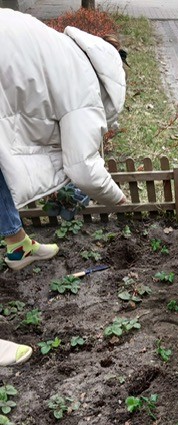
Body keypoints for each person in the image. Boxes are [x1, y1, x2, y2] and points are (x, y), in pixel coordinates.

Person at [0, 9, 127, 270]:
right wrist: (118, 198)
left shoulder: (67, 50)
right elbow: (83, 168)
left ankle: (18, 244)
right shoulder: (84, 84)